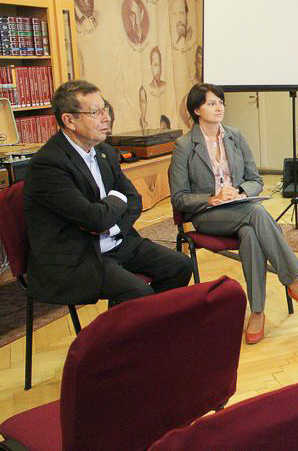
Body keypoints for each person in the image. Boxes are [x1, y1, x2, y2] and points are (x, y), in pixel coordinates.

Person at [169, 83, 298, 344]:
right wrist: (212, 198)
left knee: (251, 234)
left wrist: (241, 192)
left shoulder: (235, 136)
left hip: (240, 208)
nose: (219, 107)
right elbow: (179, 198)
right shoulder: (184, 146)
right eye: (211, 103)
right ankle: (293, 281)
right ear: (197, 110)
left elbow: (255, 180)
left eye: (221, 102)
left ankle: (257, 312)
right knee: (257, 213)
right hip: (207, 214)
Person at [23, 80, 192, 306]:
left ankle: (143, 322)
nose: (107, 118)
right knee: (138, 292)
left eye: (105, 109)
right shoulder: (48, 164)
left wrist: (112, 225)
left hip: (117, 241)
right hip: (78, 256)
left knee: (181, 265)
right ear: (69, 120)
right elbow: (94, 219)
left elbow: (134, 200)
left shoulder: (105, 152)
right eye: (95, 112)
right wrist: (116, 199)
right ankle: (127, 324)